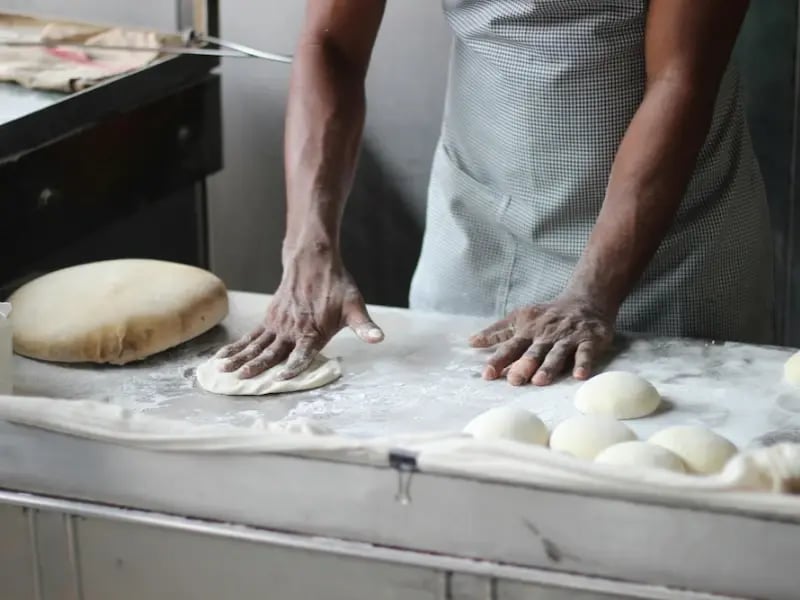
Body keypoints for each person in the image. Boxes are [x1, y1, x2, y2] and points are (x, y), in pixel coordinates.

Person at [217, 0, 773, 387]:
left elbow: (681, 78)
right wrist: (308, 247)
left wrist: (592, 292)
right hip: (478, 225)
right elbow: (331, 44)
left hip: (667, 248)